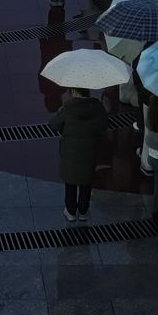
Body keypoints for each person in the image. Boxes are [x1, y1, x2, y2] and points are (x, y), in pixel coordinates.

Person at [50, 92, 106, 222]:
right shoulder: (97, 107)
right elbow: (104, 125)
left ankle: (71, 211)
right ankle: (83, 211)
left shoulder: (67, 108)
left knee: (70, 180)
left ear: (74, 91)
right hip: (90, 150)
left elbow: (54, 125)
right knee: (86, 181)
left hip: (70, 152)